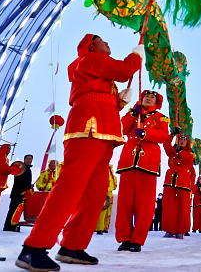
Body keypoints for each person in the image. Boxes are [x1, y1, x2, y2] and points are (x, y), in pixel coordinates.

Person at [16, 34, 142, 271]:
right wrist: (136, 55)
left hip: (102, 129)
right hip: (89, 128)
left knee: (95, 193)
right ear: (91, 44)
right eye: (103, 40)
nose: (108, 43)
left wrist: (119, 102)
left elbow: (100, 94)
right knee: (70, 187)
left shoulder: (94, 66)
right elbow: (125, 70)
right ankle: (34, 247)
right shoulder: (91, 58)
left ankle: (72, 245)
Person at [115, 90, 170, 252]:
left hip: (148, 163)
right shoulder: (133, 112)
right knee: (125, 204)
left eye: (152, 97)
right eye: (146, 96)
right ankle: (124, 238)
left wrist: (146, 133)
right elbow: (121, 129)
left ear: (156, 102)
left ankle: (137, 240)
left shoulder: (161, 118)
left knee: (144, 205)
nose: (148, 98)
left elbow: (163, 136)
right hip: (128, 162)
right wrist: (133, 113)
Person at [161, 132, 194, 239]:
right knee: (169, 206)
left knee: (182, 207)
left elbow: (188, 161)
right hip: (170, 180)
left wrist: (180, 151)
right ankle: (169, 229)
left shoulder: (190, 153)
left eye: (184, 140)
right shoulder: (172, 151)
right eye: (180, 139)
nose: (182, 141)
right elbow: (166, 144)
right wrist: (172, 134)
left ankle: (180, 230)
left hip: (183, 181)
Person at [4, 154, 34, 231]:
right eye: (27, 159)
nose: (28, 160)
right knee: (13, 210)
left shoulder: (29, 170)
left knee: (18, 212)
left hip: (24, 195)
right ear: (24, 160)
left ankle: (13, 226)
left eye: (30, 159)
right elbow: (18, 179)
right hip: (17, 194)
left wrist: (29, 187)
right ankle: (8, 227)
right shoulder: (20, 168)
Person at [95, 165, 117, 235]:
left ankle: (105, 228)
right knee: (102, 213)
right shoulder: (101, 176)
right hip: (103, 195)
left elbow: (114, 186)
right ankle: (99, 228)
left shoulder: (113, 177)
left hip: (109, 196)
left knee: (108, 213)